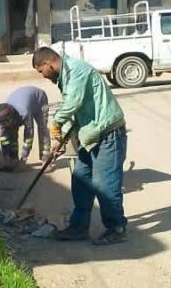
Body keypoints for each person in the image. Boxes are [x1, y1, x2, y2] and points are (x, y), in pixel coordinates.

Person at [32, 47, 128, 246]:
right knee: (81, 180)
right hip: (89, 135)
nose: (43, 76)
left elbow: (72, 104)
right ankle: (79, 227)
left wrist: (56, 123)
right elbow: (75, 111)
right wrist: (62, 139)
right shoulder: (65, 76)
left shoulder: (77, 70)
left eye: (41, 71)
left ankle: (116, 228)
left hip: (108, 133)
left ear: (47, 64)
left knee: (105, 185)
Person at [0, 86, 50, 172]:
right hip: (23, 99)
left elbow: (29, 136)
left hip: (39, 99)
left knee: (42, 128)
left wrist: (23, 159)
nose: (5, 124)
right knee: (11, 132)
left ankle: (46, 160)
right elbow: (4, 137)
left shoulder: (24, 113)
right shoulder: (2, 117)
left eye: (8, 122)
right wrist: (7, 155)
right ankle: (14, 159)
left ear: (12, 117)